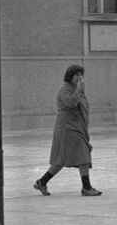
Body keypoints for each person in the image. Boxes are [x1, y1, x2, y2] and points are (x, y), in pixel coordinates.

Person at [34, 64, 102, 196]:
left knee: (61, 159)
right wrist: (78, 91)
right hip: (67, 129)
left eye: (81, 75)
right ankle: (86, 187)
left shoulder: (78, 90)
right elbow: (70, 103)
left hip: (77, 128)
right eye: (77, 75)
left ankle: (41, 182)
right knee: (83, 155)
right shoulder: (65, 90)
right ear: (70, 76)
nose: (79, 77)